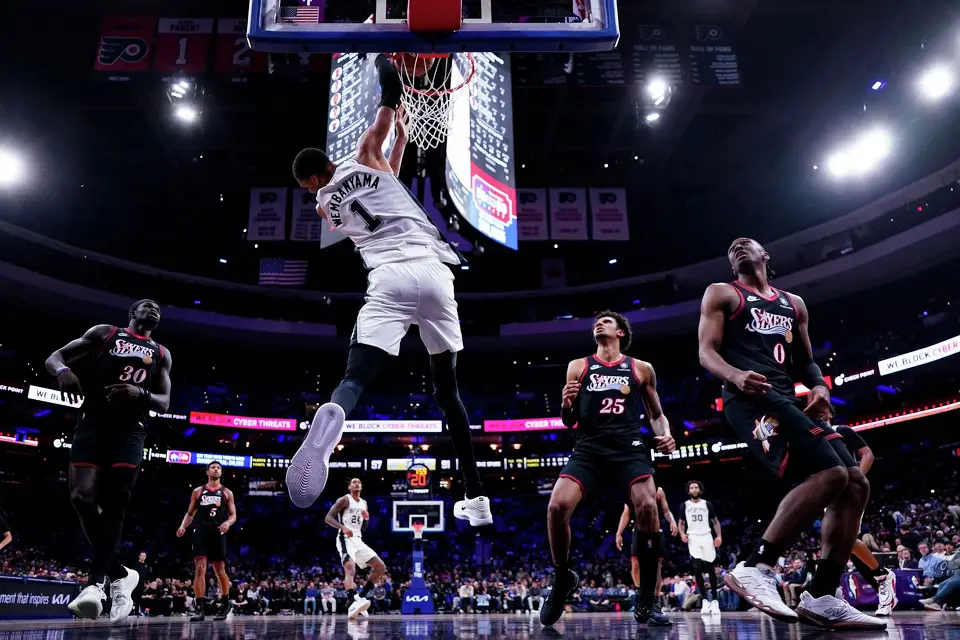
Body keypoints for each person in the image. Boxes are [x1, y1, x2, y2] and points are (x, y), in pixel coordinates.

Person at [287, 55, 491, 529]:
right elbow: (388, 110)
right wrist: (385, 67)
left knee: (356, 377)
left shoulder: (324, 205)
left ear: (311, 180)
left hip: (388, 279)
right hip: (436, 274)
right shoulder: (365, 154)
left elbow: (381, 180)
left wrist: (398, 137)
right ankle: (476, 497)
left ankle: (334, 413)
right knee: (448, 391)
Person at [697, 238, 883, 629]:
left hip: (785, 398)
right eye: (731, 248)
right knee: (832, 474)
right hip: (747, 399)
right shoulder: (722, 293)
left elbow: (807, 362)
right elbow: (706, 351)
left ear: (765, 255)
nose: (736, 247)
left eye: (746, 244)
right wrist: (735, 375)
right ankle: (756, 565)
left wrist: (820, 388)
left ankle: (822, 596)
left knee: (854, 484)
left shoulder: (793, 303)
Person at [540, 311, 676, 627]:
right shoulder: (578, 366)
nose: (598, 324)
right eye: (596, 322)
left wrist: (665, 434)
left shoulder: (641, 368)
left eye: (606, 321)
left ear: (620, 333)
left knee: (647, 505)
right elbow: (569, 421)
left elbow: (656, 415)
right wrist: (564, 405)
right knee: (557, 506)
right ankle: (562, 578)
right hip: (589, 448)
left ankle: (648, 599)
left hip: (628, 449)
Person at [46, 299, 172, 622]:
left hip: (131, 430)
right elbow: (54, 357)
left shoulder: (161, 353)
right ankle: (120, 573)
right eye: (147, 304)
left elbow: (165, 402)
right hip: (93, 423)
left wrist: (138, 394)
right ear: (133, 313)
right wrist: (63, 371)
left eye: (158, 307)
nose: (154, 308)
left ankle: (96, 583)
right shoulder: (106, 333)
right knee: (82, 497)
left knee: (117, 499)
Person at [832, 415, 898, 616]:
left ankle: (881, 577)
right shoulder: (813, 436)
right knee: (837, 542)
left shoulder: (841, 430)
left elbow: (867, 454)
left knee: (845, 539)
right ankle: (880, 578)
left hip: (849, 490)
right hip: (829, 492)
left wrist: (853, 481)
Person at [176, 461, 237, 622]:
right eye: (213, 467)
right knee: (200, 569)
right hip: (200, 532)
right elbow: (190, 514)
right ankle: (200, 608)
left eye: (219, 468)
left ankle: (225, 603)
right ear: (207, 471)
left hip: (218, 532)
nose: (216, 469)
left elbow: (233, 516)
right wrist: (183, 527)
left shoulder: (227, 493)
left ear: (221, 472)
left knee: (219, 570)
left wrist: (227, 523)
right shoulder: (198, 491)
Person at [326, 478, 384, 619]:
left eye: (359, 482)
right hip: (345, 538)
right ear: (350, 487)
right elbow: (328, 518)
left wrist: (367, 519)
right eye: (354, 482)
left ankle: (360, 597)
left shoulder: (364, 503)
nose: (357, 483)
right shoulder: (344, 500)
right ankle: (352, 602)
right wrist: (343, 527)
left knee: (380, 567)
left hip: (358, 539)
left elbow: (363, 528)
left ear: (361, 486)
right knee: (350, 568)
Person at [616, 487, 677, 596]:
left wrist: (672, 521)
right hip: (639, 531)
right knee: (635, 564)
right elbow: (626, 513)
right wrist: (619, 533)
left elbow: (666, 511)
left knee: (656, 566)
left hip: (656, 532)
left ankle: (655, 598)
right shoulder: (632, 490)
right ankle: (642, 594)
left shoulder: (659, 491)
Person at [678, 480, 723, 616]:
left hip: (707, 536)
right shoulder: (684, 505)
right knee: (697, 568)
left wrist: (719, 536)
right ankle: (704, 601)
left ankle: (714, 601)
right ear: (689, 491)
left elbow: (715, 522)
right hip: (693, 538)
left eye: (696, 487)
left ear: (700, 490)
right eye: (691, 487)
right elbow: (681, 522)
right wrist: (681, 534)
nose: (694, 489)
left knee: (710, 568)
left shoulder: (707, 504)